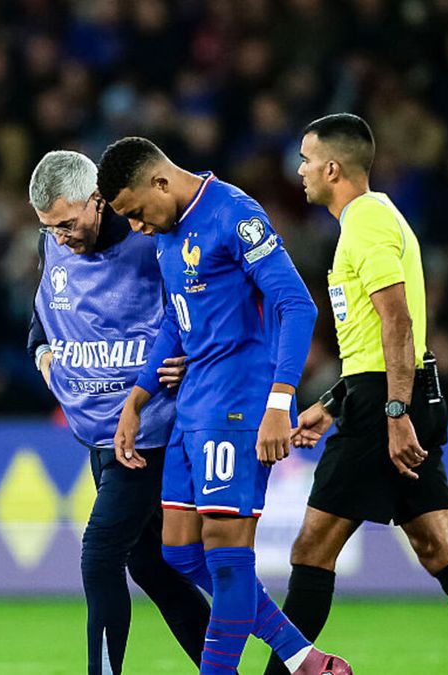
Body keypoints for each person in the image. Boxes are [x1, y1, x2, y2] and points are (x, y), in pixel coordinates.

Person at [265, 113, 448, 675]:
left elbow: (397, 322)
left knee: (311, 550)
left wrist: (394, 412)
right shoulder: (370, 221)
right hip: (390, 394)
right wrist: (332, 404)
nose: (300, 170)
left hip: (389, 406)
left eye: (306, 160)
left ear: (333, 168)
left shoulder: (367, 222)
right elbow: (373, 345)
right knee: (439, 547)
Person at [98, 137, 351, 675]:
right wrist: (137, 399)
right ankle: (303, 657)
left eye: (137, 213)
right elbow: (176, 320)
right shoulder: (168, 236)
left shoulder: (234, 215)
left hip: (238, 405)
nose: (138, 228)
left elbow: (296, 305)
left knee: (228, 560)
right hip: (191, 407)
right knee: (179, 552)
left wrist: (279, 403)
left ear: (160, 183)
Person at [26, 150, 209, 675]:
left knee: (99, 555)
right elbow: (40, 320)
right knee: (154, 566)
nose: (61, 236)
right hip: (98, 437)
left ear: (98, 201)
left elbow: (204, 309)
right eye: (49, 228)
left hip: (150, 433)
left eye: (67, 222)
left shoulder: (152, 240)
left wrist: (189, 360)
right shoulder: (52, 247)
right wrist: (42, 356)